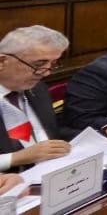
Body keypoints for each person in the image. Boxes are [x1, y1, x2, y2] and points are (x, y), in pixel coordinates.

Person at [0, 26, 69, 171]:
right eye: (39, 64)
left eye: (53, 64)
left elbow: (51, 136)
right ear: (2, 61)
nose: (46, 73)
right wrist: (16, 158)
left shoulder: (38, 89)